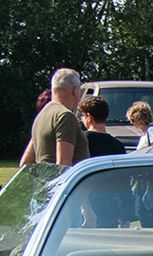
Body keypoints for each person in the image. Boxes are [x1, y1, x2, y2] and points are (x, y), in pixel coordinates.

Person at [19, 68, 89, 166]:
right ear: (74, 90)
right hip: (66, 181)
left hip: (45, 179)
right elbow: (63, 164)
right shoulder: (64, 116)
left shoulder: (42, 115)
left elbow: (25, 164)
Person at [77, 95, 126, 228]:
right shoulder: (117, 145)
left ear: (89, 117)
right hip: (111, 202)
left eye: (82, 116)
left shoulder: (82, 141)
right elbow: (122, 179)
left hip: (87, 200)